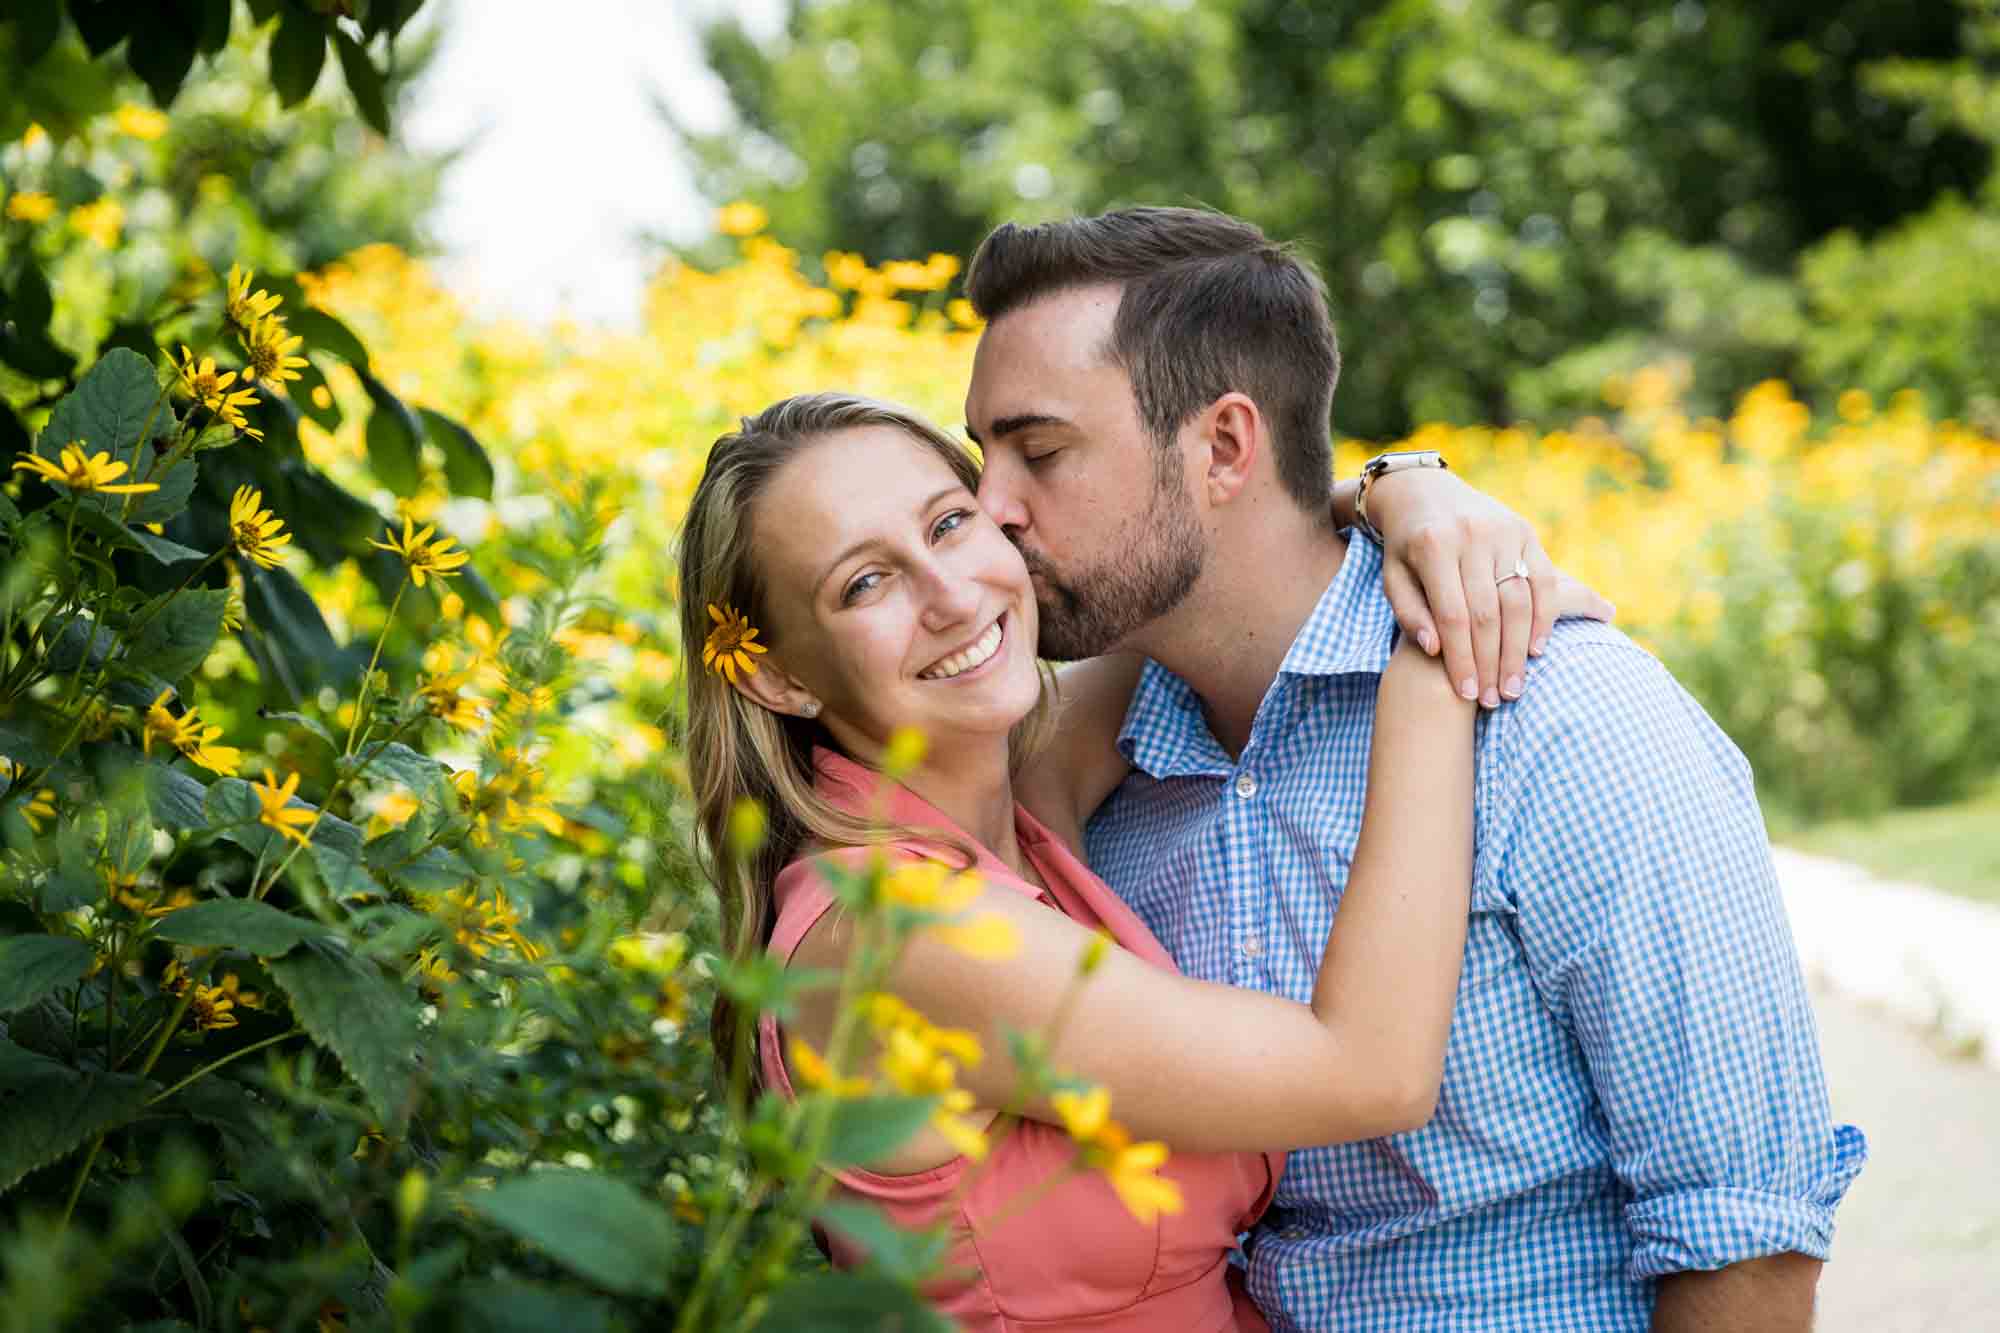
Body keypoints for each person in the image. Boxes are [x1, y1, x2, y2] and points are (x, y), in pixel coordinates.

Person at [960, 205, 1868, 1331]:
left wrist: (1402, 486)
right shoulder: (1088, 779)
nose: (989, 508)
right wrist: (1399, 483)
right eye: (981, 456)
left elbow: (1743, 1236)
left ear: (1225, 448)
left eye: (1037, 451)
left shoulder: (1559, 717)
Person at [677, 393, 1611, 1331]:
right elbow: (1371, 1073)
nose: (952, 595)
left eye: (950, 524)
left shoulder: (1012, 777)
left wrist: (1403, 492)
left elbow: (1229, 585)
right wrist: (1439, 650)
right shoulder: (897, 930)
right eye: (864, 585)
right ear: (777, 674)